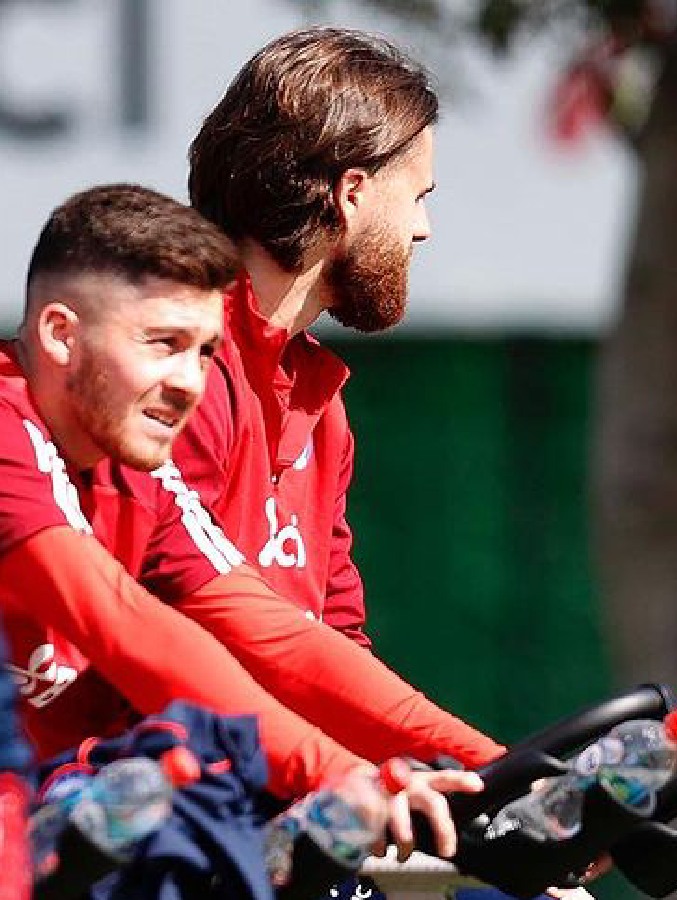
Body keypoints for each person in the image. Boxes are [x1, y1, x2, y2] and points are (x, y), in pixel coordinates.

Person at [0, 184, 479, 857]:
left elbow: (281, 640)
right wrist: (341, 774)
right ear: (60, 334)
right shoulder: (5, 425)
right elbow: (125, 625)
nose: (190, 382)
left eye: (203, 351)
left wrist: (492, 770)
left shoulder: (131, 467)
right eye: (162, 343)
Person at [157, 27, 511, 776]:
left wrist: (416, 771)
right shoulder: (183, 368)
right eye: (416, 196)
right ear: (352, 194)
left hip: (271, 807)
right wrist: (473, 763)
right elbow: (214, 632)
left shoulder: (321, 398)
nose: (423, 228)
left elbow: (335, 639)